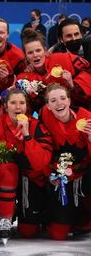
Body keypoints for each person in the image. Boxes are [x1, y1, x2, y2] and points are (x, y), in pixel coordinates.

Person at [0, 88, 52, 243]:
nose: (18, 107)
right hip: (1, 178)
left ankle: (9, 215)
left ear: (26, 107)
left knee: (28, 231)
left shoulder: (36, 126)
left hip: (29, 179)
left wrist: (27, 136)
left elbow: (41, 162)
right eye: (13, 103)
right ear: (5, 106)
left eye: (22, 103)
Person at [39, 83, 91, 240]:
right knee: (58, 234)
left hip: (85, 174)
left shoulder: (86, 119)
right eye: (53, 100)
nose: (59, 103)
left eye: (62, 98)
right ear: (47, 106)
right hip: (60, 177)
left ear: (69, 101)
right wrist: (49, 174)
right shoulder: (44, 116)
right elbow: (41, 153)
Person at [18, 28, 91, 110]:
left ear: (45, 51)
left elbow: (88, 73)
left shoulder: (65, 59)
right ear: (26, 57)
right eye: (30, 52)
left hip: (80, 114)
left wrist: (72, 85)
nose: (35, 55)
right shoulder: (24, 79)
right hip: (50, 119)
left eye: (38, 50)